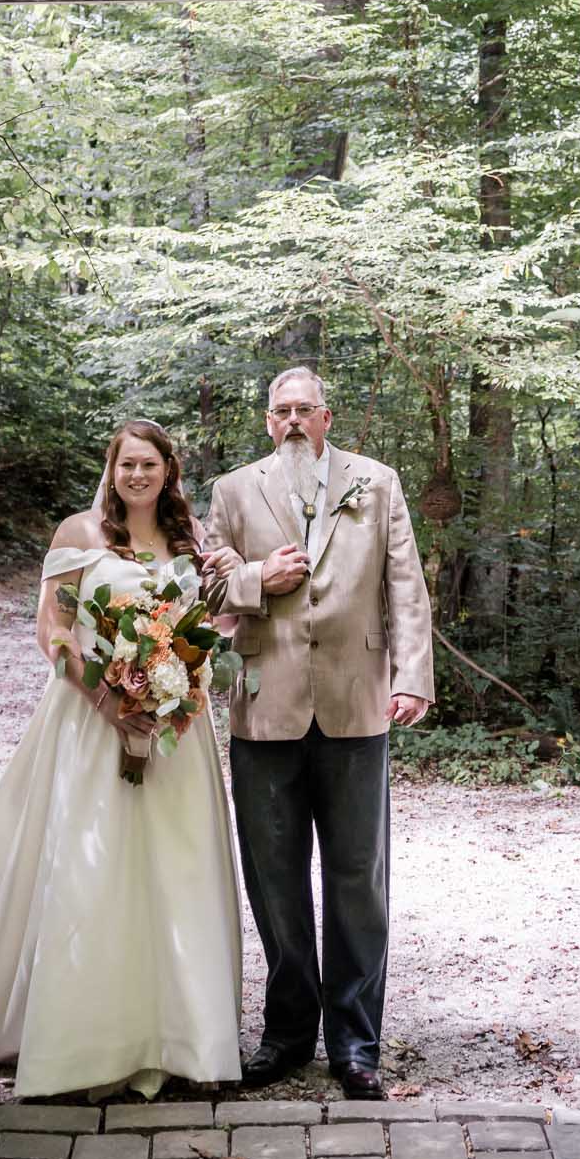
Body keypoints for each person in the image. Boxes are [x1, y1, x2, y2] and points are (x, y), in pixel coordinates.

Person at [0, 419, 242, 1097]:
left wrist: (176, 680)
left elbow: (210, 624)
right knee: (97, 869)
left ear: (168, 470)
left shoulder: (192, 538)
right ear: (111, 469)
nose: (138, 476)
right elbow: (53, 631)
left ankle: (183, 1042)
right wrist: (111, 699)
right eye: (127, 465)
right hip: (91, 722)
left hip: (178, 729)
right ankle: (86, 1046)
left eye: (149, 464)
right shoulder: (78, 535)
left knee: (175, 871)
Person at [204, 366, 433, 1102]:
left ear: (326, 417)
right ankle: (285, 1034)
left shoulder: (377, 482)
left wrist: (410, 676)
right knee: (274, 882)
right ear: (268, 422)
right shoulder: (234, 492)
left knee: (357, 879)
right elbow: (203, 584)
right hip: (264, 706)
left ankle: (355, 1042)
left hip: (356, 701)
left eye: (305, 409)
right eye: (282, 411)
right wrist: (253, 580)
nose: (294, 420)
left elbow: (405, 585)